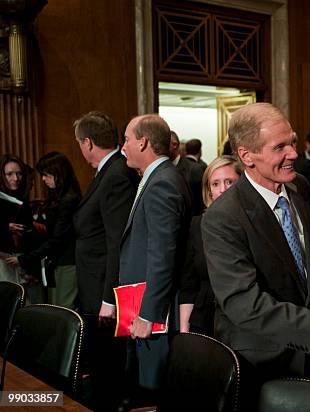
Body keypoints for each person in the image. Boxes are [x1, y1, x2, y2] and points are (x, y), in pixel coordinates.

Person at [201, 102, 310, 385]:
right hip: (258, 360)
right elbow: (243, 303)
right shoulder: (223, 217)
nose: (292, 154)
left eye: (291, 142)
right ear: (247, 156)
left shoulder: (299, 186)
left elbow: (305, 267)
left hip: (308, 353)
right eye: (280, 148)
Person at [119, 114, 191, 404]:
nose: (122, 146)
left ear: (143, 141)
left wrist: (148, 314)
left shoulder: (163, 182)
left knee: (153, 392)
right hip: (142, 304)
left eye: (126, 139)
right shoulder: (159, 178)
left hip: (153, 312)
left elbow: (163, 256)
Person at [72, 111, 139, 410]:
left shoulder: (116, 174)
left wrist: (109, 299)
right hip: (95, 287)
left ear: (87, 143)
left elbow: (117, 242)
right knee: (101, 368)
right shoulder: (107, 171)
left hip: (105, 293)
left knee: (108, 372)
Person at [6, 152, 81, 309]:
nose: (43, 179)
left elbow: (58, 238)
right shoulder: (59, 197)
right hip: (57, 262)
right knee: (55, 307)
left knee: (62, 308)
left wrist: (25, 259)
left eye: (46, 175)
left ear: (58, 173)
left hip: (65, 261)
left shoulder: (68, 199)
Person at [179, 155, 242, 334]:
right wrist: (185, 331)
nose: (223, 189)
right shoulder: (197, 225)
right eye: (215, 184)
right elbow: (188, 283)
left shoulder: (253, 224)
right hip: (204, 319)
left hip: (242, 323)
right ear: (209, 190)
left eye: (229, 182)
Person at [0, 154, 34, 283]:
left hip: (21, 259)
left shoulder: (23, 199)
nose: (15, 178)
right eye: (9, 174)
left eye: (19, 173)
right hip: (3, 260)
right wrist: (5, 227)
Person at [169, 131, 205, 215]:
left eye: (163, 143)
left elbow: (201, 202)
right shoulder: (158, 169)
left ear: (174, 144)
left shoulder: (194, 169)